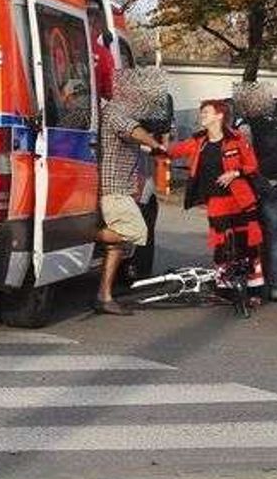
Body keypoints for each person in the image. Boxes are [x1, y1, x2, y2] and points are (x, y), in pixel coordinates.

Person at [167, 99, 266, 302]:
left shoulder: (237, 139)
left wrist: (235, 173)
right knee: (222, 245)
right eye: (201, 112)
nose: (202, 115)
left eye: (206, 112)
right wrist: (150, 145)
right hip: (216, 202)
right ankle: (226, 289)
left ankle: (254, 290)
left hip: (241, 200)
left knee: (246, 245)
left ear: (219, 116)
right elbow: (172, 151)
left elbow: (252, 165)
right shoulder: (198, 141)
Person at [95, 68, 170, 315]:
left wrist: (151, 150)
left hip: (122, 188)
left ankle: (104, 297)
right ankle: (81, 234)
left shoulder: (112, 110)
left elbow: (128, 141)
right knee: (136, 232)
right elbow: (132, 131)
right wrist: (156, 144)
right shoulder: (116, 111)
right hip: (114, 187)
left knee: (117, 246)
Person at [233, 83, 277, 300]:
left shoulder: (247, 124)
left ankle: (264, 283)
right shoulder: (253, 123)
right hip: (266, 183)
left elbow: (243, 155)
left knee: (266, 235)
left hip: (261, 184)